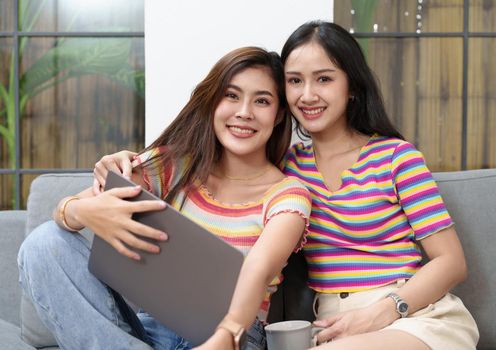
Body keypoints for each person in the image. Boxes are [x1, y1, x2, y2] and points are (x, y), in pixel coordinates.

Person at [94, 21, 479, 349]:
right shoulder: (288, 168)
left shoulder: (397, 157)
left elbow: (451, 262)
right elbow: (227, 166)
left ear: (352, 87)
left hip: (412, 314)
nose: (307, 95)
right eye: (295, 81)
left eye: (324, 79)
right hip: (332, 325)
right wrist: (132, 163)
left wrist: (382, 310)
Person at [17, 46, 311, 350]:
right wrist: (81, 211)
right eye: (231, 95)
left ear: (278, 116)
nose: (244, 112)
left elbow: (258, 269)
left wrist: (226, 336)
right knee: (44, 243)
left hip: (231, 335)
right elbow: (66, 212)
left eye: (261, 101)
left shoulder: (288, 195)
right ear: (212, 102)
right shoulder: (173, 167)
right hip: (151, 329)